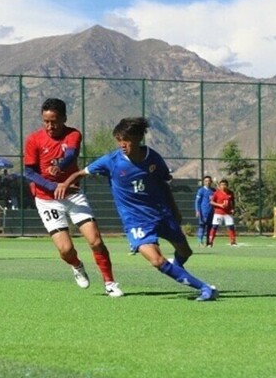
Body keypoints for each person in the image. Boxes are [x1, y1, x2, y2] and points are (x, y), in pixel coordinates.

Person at [56, 117, 216, 301]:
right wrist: (65, 184)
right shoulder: (111, 160)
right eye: (119, 140)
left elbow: (164, 184)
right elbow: (80, 173)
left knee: (185, 251)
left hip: (161, 214)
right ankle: (204, 288)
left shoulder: (153, 158)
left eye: (126, 140)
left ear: (138, 138)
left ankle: (177, 269)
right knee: (157, 260)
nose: (122, 145)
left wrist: (175, 210)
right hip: (136, 221)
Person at [23, 97, 122, 297]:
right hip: (46, 199)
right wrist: (53, 185)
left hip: (73, 195)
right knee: (65, 250)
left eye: (54, 121)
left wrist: (59, 167)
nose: (50, 126)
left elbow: (70, 155)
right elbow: (30, 173)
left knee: (95, 241)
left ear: (64, 118)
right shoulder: (33, 139)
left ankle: (110, 282)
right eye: (46, 121)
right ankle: (76, 265)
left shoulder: (73, 134)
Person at [207, 179, 237, 247]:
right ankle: (210, 242)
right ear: (220, 186)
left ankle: (233, 242)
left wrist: (232, 209)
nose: (223, 186)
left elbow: (232, 202)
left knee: (231, 227)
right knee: (215, 227)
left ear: (227, 185)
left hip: (228, 213)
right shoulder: (216, 193)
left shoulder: (230, 193)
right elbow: (211, 202)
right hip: (218, 213)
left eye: (225, 185)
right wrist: (219, 205)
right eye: (222, 185)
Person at [194, 175, 215, 247]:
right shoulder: (201, 190)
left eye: (209, 181)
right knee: (202, 226)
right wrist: (197, 210)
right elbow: (197, 201)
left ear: (211, 181)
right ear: (203, 182)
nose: (208, 182)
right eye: (206, 181)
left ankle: (208, 242)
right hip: (203, 212)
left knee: (210, 227)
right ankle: (200, 242)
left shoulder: (213, 190)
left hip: (211, 212)